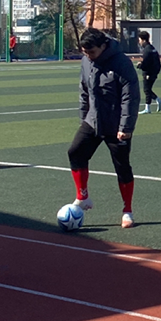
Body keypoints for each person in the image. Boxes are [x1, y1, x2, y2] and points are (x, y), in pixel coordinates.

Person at [67, 28, 140, 229]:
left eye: (91, 52)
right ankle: (82, 197)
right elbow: (84, 89)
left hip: (116, 125)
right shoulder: (86, 60)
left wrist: (126, 127)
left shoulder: (121, 63)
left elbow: (130, 97)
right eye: (85, 52)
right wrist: (84, 117)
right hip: (92, 121)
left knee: (122, 167)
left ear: (103, 46)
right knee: (75, 152)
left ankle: (127, 211)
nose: (88, 56)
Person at [137, 31, 161, 114]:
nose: (139, 42)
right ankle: (149, 106)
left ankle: (152, 105)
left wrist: (139, 65)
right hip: (154, 71)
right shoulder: (152, 48)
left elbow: (145, 63)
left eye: (140, 40)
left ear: (143, 40)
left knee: (147, 89)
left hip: (149, 72)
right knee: (147, 89)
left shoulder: (147, 50)